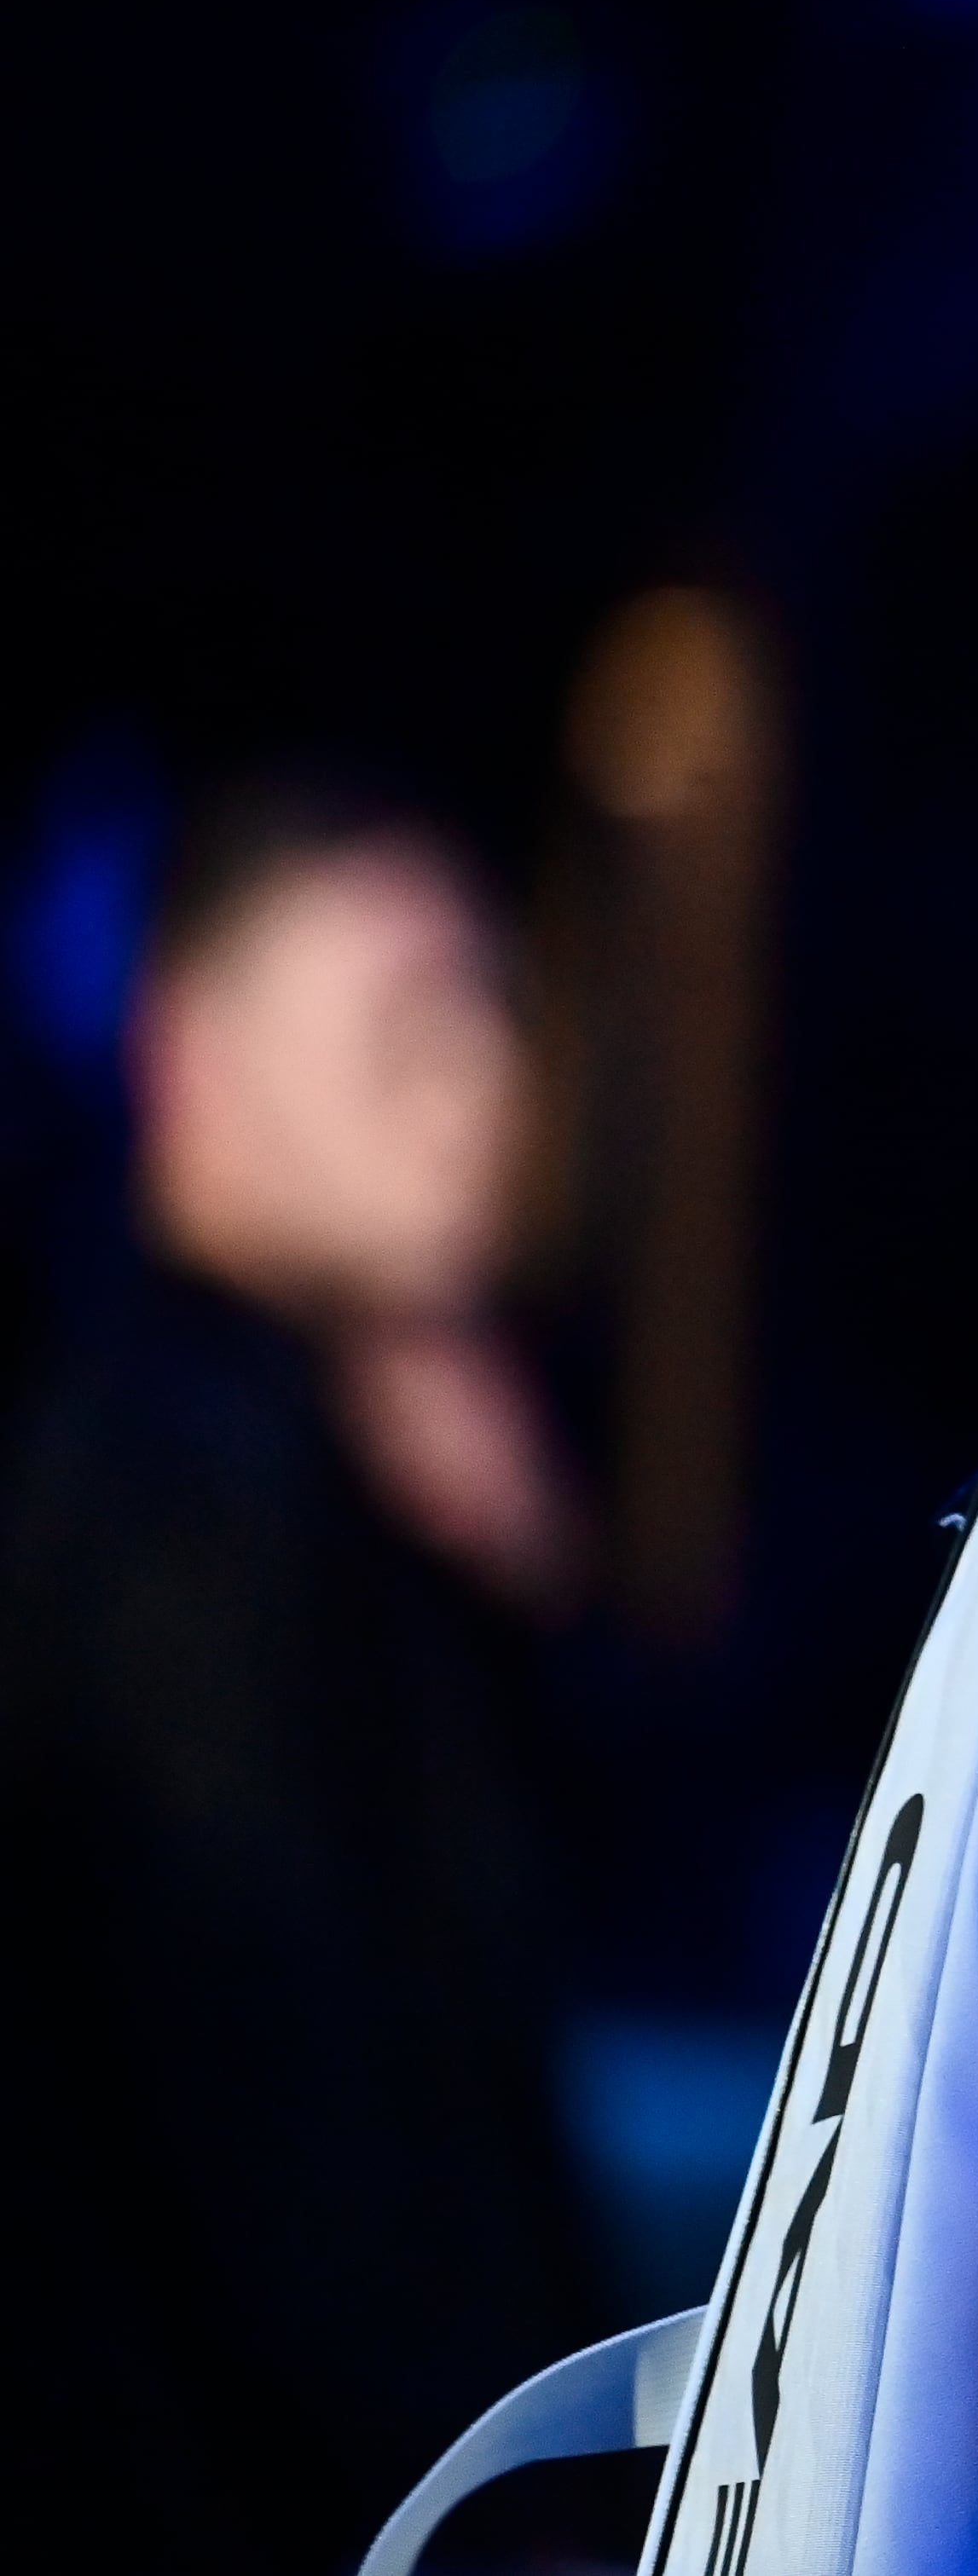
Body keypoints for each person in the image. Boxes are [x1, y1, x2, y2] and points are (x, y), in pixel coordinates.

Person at [0, 781, 601, 2573]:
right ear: (192, 1063)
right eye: (403, 1024)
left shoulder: (320, 1457)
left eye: (490, 1004)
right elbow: (312, 2141)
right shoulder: (189, 1492)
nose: (483, 1077)